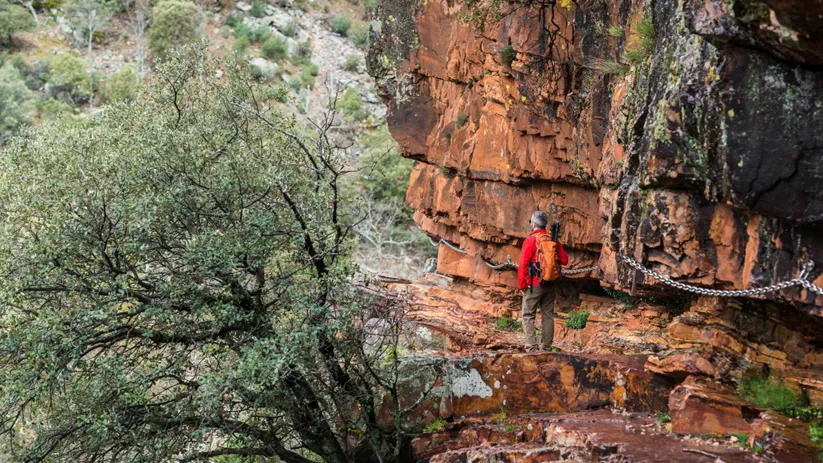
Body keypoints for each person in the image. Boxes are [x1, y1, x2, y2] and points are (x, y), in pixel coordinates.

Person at [517, 211, 568, 352]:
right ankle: (546, 348)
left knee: (528, 315)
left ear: (533, 224)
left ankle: (532, 349)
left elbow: (523, 265)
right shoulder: (553, 240)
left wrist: (522, 284)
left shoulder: (531, 240)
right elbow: (564, 260)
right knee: (548, 315)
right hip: (550, 283)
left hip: (534, 284)